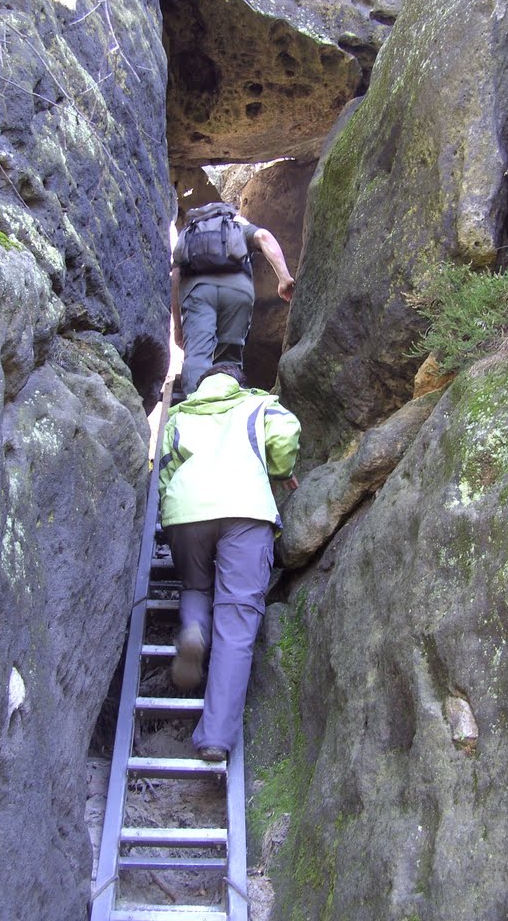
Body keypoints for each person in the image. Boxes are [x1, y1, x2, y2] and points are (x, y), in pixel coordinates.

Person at [158, 363, 301, 761]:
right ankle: (215, 738)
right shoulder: (258, 405)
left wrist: (174, 510)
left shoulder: (181, 414)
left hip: (186, 510)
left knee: (195, 587)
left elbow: (165, 469)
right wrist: (280, 469)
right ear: (239, 384)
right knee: (237, 619)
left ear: (202, 386)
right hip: (245, 509)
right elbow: (287, 430)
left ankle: (193, 631)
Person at [171, 203, 296, 395]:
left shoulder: (188, 233)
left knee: (197, 354)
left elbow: (176, 278)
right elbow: (264, 237)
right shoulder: (236, 226)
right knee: (229, 356)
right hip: (237, 291)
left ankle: (196, 405)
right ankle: (228, 402)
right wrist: (284, 278)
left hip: (198, 291)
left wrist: (178, 328)